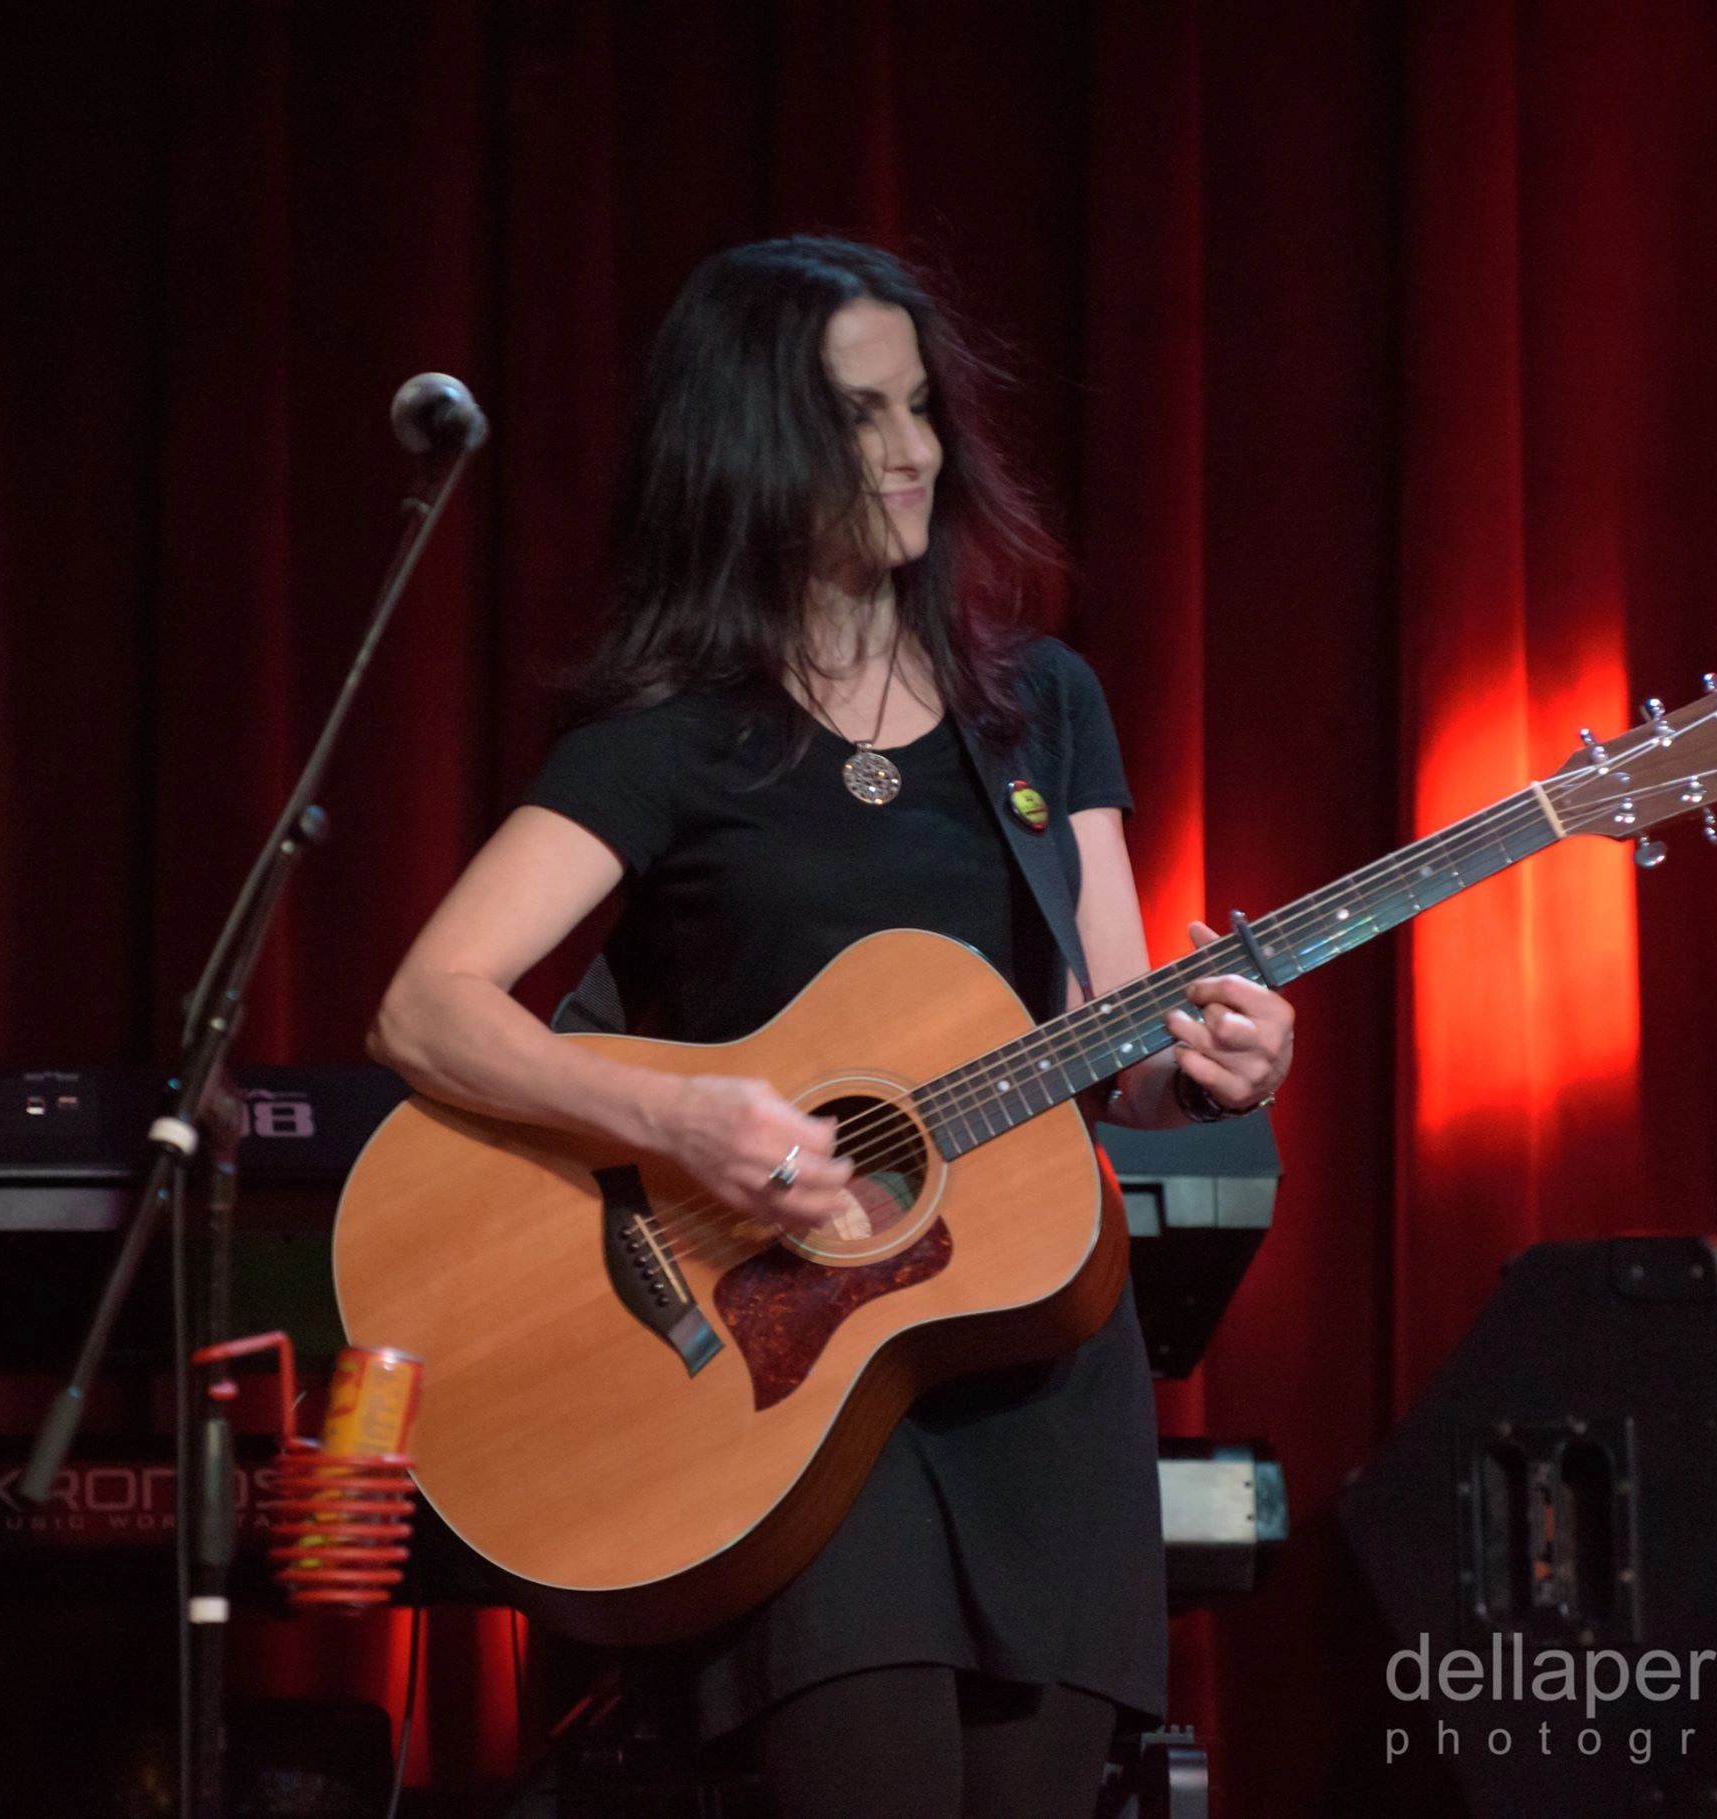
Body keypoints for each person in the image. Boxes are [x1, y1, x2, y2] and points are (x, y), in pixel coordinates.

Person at [368, 237, 1295, 1819]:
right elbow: (424, 1009)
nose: (914, 452)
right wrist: (679, 1122)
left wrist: (1201, 1070)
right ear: (751, 447)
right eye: (860, 418)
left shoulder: (1039, 706)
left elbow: (1108, 1031)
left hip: (1035, 1381)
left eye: (921, 407)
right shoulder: (669, 739)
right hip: (795, 1388)